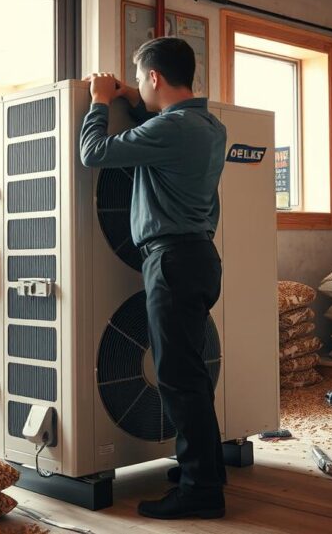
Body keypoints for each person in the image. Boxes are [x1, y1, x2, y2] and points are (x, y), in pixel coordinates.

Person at [80, 37, 227, 520]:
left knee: (177, 378)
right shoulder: (207, 125)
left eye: (140, 79)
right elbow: (159, 131)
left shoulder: (174, 128)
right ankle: (202, 469)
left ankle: (201, 491)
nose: (138, 86)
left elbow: (95, 152)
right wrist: (129, 96)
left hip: (171, 260)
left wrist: (102, 101)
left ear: (155, 78)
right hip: (199, 257)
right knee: (191, 374)